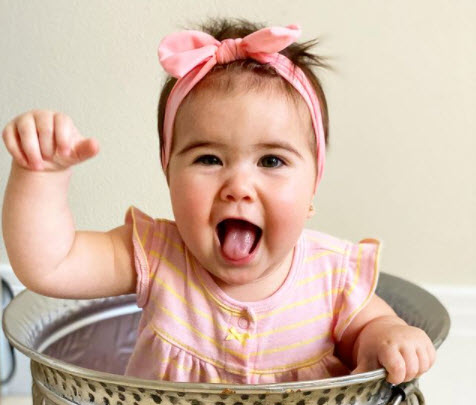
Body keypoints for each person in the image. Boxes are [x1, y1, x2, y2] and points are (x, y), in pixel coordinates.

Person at [1, 18, 436, 385]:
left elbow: (373, 327)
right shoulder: (157, 256)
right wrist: (40, 175)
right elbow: (50, 264)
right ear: (168, 173)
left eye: (271, 160)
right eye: (209, 159)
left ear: (312, 188)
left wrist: (390, 337)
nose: (238, 186)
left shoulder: (333, 277)